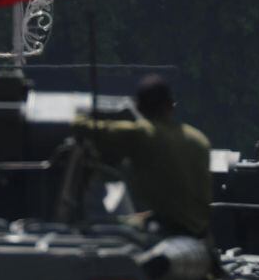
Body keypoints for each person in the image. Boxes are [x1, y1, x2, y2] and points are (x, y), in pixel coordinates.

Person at [75, 75, 212, 238]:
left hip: (169, 229)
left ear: (139, 108)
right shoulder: (199, 139)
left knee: (103, 227)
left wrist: (81, 114)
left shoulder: (142, 134)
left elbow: (85, 127)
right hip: (200, 232)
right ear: (171, 105)